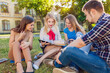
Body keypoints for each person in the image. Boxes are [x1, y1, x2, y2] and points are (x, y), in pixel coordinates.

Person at [53, 0, 110, 73]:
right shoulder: (104, 21)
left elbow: (81, 42)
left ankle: (56, 64)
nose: (86, 18)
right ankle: (73, 68)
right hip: (99, 57)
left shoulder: (106, 21)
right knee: (76, 50)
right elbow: (93, 45)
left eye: (86, 15)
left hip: (105, 65)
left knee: (69, 50)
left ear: (93, 12)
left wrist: (62, 51)